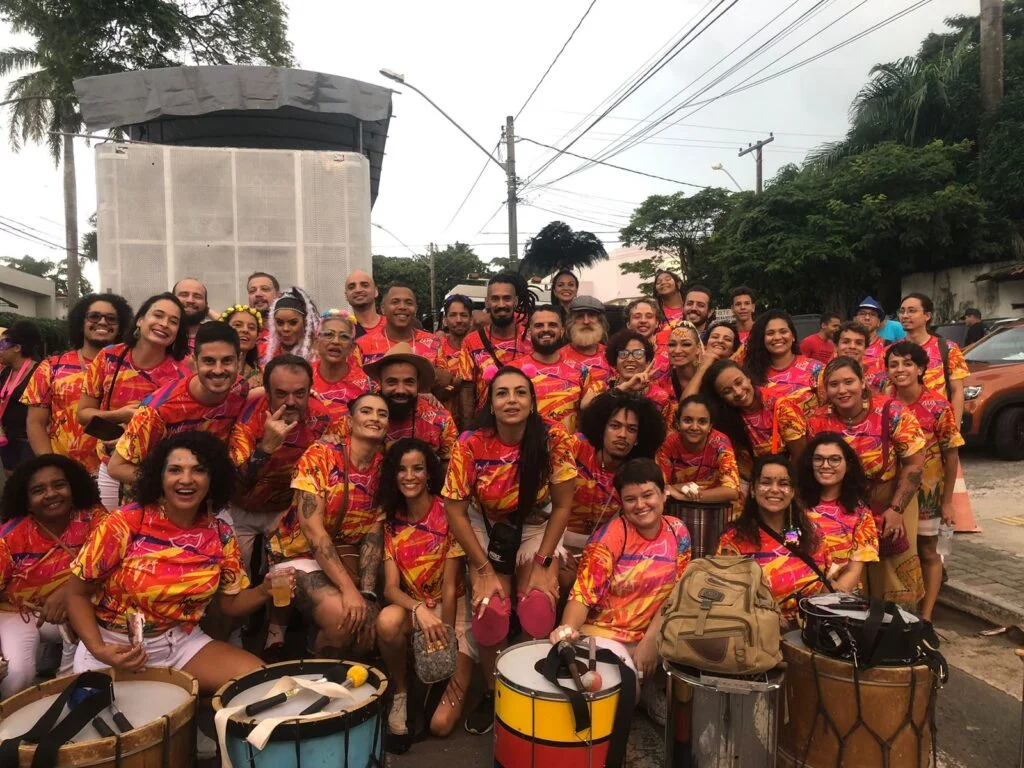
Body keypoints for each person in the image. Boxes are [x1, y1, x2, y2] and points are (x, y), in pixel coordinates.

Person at [67, 431, 291, 694]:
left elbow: (230, 604)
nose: (187, 480)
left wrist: (264, 590)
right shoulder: (125, 523)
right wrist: (100, 650)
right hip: (115, 646)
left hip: (181, 644)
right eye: (175, 470)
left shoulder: (220, 533)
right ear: (159, 478)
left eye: (199, 470)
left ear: (213, 479)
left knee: (269, 687)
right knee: (131, 729)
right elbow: (76, 593)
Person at [442, 366, 577, 735]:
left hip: (536, 524)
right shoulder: (469, 443)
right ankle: (493, 691)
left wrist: (544, 562)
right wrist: (483, 570)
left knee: (536, 605)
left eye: (520, 392)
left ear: (532, 402)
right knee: (489, 613)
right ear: (492, 402)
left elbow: (563, 506)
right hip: (485, 526)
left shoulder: (553, 439)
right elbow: (454, 509)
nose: (511, 400)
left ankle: (533, 684)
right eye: (502, 393)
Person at [552, 458, 691, 706]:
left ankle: (650, 684)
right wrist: (567, 630)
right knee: (623, 697)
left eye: (648, 495)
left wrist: (650, 641)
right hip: (606, 636)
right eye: (630, 499)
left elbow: (677, 595)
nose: (640, 505)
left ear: (664, 493)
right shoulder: (610, 537)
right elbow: (583, 593)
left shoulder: (678, 531)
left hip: (657, 634)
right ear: (621, 502)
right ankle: (639, 688)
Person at [229, 355, 337, 655]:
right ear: (266, 391)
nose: (291, 401)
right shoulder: (248, 415)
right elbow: (236, 483)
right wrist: (265, 447)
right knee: (237, 574)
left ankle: (276, 636)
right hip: (242, 506)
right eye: (281, 393)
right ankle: (234, 634)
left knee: (283, 569)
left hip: (285, 507)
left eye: (300, 393)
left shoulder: (322, 418)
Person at [267, 393, 389, 656]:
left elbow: (373, 533)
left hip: (345, 556)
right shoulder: (321, 455)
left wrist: (366, 594)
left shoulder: (384, 467)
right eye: (366, 411)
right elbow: (313, 531)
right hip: (296, 553)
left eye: (382, 413)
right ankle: (319, 677)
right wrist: (349, 590)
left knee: (365, 619)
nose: (375, 418)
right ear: (350, 421)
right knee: (343, 618)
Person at [799, 356, 926, 609]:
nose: (842, 390)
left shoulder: (893, 412)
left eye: (849, 382)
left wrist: (897, 509)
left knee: (893, 575)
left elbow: (914, 464)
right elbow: (809, 466)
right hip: (840, 504)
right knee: (847, 570)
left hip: (889, 498)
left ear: (862, 382)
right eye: (834, 384)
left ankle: (898, 631)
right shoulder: (816, 419)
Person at [376, 439, 476, 747]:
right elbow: (390, 588)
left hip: (454, 610)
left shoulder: (447, 512)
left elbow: (450, 584)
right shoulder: (391, 522)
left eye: (418, 468)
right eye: (402, 469)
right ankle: (402, 691)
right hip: (419, 607)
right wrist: (418, 610)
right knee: (387, 621)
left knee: (440, 725)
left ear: (429, 473)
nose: (410, 476)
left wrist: (441, 640)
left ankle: (447, 676)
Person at [0, 455, 103, 698]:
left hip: (77, 609)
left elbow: (115, 563)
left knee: (95, 626)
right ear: (27, 502)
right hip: (18, 613)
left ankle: (66, 685)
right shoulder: (10, 538)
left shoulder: (93, 518)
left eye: (59, 485)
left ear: (73, 487)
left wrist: (67, 593)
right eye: (38, 490)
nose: (51, 494)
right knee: (17, 677)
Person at [78, 292, 189, 509]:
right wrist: (119, 416)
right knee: (113, 533)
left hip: (156, 472)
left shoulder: (182, 374)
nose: (164, 324)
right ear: (140, 320)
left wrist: (137, 430)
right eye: (158, 315)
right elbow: (83, 414)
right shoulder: (109, 358)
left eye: (173, 321)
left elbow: (183, 431)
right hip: (110, 467)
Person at [886, 340, 963, 643]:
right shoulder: (881, 403)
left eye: (907, 363)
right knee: (896, 554)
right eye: (894, 364)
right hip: (893, 495)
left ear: (920, 369)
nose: (900, 370)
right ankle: (895, 614)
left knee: (929, 552)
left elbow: (952, 454)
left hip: (929, 492)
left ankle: (926, 617)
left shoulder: (938, 406)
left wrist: (948, 502)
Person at [107, 323, 248, 485]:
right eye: (208, 361)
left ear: (239, 360)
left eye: (227, 361)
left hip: (208, 499)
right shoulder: (157, 409)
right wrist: (172, 484)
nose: (218, 370)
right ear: (195, 362)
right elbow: (116, 467)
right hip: (160, 499)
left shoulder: (240, 389)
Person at [717, 455, 836, 628]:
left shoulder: (814, 534)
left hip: (811, 632)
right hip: (758, 635)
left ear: (793, 491)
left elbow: (825, 585)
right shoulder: (734, 538)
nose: (774, 489)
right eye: (766, 482)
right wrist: (763, 613)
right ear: (752, 490)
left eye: (783, 483)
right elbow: (727, 595)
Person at [563, 392, 666, 587]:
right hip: (559, 544)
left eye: (631, 429)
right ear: (602, 429)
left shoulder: (640, 469)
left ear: (638, 437)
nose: (622, 435)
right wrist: (556, 549)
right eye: (615, 426)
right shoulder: (575, 448)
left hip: (607, 550)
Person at [24, 293, 132, 475]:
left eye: (112, 318)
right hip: (68, 475)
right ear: (81, 323)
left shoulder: (132, 369)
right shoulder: (52, 367)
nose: (103, 322)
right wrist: (51, 467)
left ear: (120, 327)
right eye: (94, 316)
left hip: (118, 472)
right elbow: (35, 423)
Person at [798, 433, 879, 593]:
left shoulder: (861, 513)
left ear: (847, 465)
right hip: (796, 592)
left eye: (834, 459)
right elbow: (788, 548)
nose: (825, 465)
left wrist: (828, 601)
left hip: (837, 598)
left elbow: (854, 570)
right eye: (818, 459)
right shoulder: (795, 505)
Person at [457, 272, 535, 420]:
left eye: (507, 298)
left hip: (526, 422)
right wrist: (468, 430)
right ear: (487, 302)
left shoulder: (531, 339)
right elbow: (467, 389)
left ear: (516, 301)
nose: (501, 305)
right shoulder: (471, 342)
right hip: (485, 423)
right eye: (495, 299)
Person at [363, 344, 457, 463]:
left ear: (418, 384)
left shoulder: (439, 419)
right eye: (392, 382)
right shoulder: (363, 416)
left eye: (409, 382)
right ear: (380, 383)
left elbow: (451, 466)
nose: (400, 390)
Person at [513, 305, 593, 434]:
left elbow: (587, 418)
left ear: (562, 331)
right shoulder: (514, 370)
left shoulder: (581, 371)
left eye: (552, 325)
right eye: (539, 325)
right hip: (525, 449)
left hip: (567, 450)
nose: (546, 330)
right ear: (529, 333)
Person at [898, 292, 970, 424]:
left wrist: (955, 429)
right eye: (902, 311)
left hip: (939, 429)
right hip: (904, 429)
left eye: (911, 311)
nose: (905, 315)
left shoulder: (948, 349)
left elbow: (957, 391)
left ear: (927, 316)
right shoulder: (893, 351)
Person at [656, 395, 740, 505]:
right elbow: (659, 488)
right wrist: (677, 489)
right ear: (678, 423)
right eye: (687, 420)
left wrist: (685, 496)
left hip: (715, 506)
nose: (694, 427)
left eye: (702, 422)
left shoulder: (720, 442)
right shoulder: (668, 443)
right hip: (675, 505)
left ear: (710, 426)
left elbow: (732, 491)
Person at [742, 309, 823, 414]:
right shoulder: (751, 374)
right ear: (762, 339)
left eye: (783, 331)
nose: (777, 337)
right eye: (770, 333)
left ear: (793, 336)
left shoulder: (816, 369)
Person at [580, 329, 671, 412]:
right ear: (615, 361)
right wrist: (624, 387)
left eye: (638, 353)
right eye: (623, 354)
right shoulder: (600, 387)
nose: (630, 359)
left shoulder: (660, 396)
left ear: (647, 361)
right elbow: (585, 406)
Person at [356, 283, 443, 368]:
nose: (402, 307)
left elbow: (446, 378)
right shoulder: (362, 346)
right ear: (383, 308)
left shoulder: (434, 343)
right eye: (395, 302)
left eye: (409, 303)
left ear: (415, 309)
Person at [311, 310, 374, 423]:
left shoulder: (367, 384)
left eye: (344, 337)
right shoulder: (303, 378)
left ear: (351, 348)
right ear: (316, 342)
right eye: (328, 334)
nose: (336, 341)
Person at [0, 322, 43, 475]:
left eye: (2, 345)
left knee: (28, 482)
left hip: (29, 440)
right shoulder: (5, 373)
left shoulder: (39, 372)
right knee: (11, 480)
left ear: (17, 348)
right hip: (7, 438)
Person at [436, 295, 473, 424]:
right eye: (453, 315)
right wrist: (455, 386)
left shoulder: (479, 348)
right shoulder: (436, 349)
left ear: (471, 320)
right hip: (443, 422)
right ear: (445, 320)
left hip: (476, 423)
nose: (458, 320)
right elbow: (434, 391)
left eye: (463, 315)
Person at [262, 286, 319, 365]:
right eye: (280, 322)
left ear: (305, 322)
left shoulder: (319, 355)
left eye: (293, 323)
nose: (286, 329)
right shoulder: (262, 353)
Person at [660, 321, 703, 418]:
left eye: (686, 344)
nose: (677, 350)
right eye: (672, 345)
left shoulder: (711, 378)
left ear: (698, 348)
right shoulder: (661, 381)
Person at [563, 295, 612, 382]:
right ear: (571, 322)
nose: (586, 321)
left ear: (600, 321)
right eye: (580, 316)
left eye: (591, 315)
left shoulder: (611, 355)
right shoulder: (559, 357)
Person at [830, 320, 888, 393]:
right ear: (836, 347)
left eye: (858, 343)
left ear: (866, 349)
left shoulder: (880, 378)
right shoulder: (823, 376)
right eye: (846, 342)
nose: (852, 346)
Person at [219, 304, 263, 387]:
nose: (245, 330)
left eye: (251, 327)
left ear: (257, 336)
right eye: (238, 325)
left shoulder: (259, 375)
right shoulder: (212, 366)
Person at [246, 272, 280, 359]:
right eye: (252, 291)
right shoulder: (243, 331)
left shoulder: (291, 330)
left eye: (265, 289)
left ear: (278, 295)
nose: (258, 294)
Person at [345, 270, 384, 338]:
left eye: (364, 285)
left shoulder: (392, 325)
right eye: (351, 287)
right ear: (346, 296)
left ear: (376, 292)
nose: (358, 290)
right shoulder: (343, 331)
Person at [173, 277, 210, 350]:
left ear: (206, 303)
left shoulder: (214, 336)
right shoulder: (162, 334)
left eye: (197, 296)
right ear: (172, 299)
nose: (190, 300)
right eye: (184, 295)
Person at [854, 297, 889, 365]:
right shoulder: (845, 346)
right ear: (855, 319)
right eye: (862, 314)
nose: (867, 318)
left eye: (872, 314)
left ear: (879, 322)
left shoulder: (887, 346)